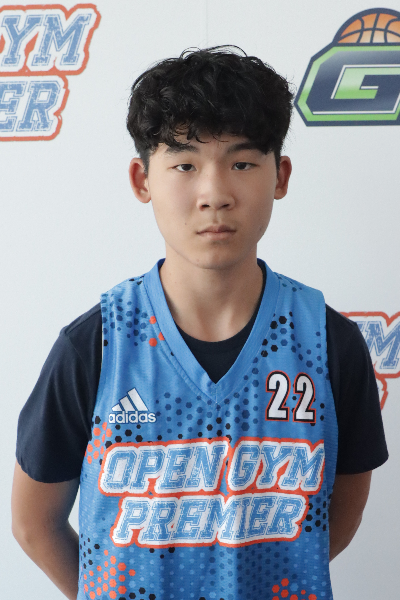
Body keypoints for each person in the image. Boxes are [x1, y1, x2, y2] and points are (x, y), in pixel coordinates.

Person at [12, 46, 388, 600]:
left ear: (280, 175)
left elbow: (344, 502)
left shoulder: (327, 341)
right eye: (185, 165)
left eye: (242, 163)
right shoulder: (96, 345)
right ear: (142, 179)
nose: (215, 195)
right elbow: (33, 522)